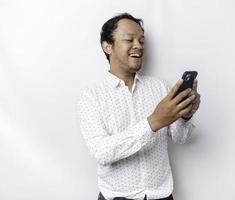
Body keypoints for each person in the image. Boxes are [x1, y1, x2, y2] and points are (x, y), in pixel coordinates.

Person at [77, 13, 201, 200]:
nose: (138, 45)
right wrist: (153, 122)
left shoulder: (160, 87)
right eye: (129, 39)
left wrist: (185, 116)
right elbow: (102, 152)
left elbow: (180, 138)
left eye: (141, 40)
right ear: (107, 46)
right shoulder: (91, 96)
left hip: (162, 196)